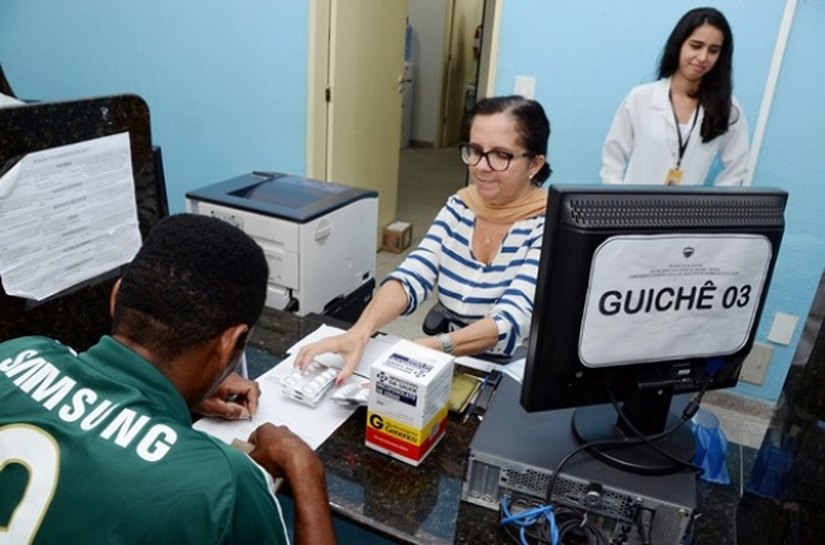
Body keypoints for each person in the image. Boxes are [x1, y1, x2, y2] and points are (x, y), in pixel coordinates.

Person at [0, 214, 335, 545]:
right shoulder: (225, 486)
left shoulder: (17, 352)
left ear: (116, 296)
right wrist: (305, 468)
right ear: (229, 343)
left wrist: (182, 395)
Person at [297, 95, 551, 383]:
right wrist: (360, 331)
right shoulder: (462, 206)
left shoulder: (547, 225)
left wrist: (432, 347)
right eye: (475, 151)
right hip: (452, 357)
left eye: (500, 155)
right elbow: (412, 274)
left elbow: (511, 320)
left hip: (512, 368)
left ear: (534, 164)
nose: (481, 166)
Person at [600, 7, 748, 186]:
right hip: (633, 203)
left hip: (688, 205)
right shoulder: (640, 98)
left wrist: (716, 203)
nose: (703, 57)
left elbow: (737, 168)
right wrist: (618, 200)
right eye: (696, 46)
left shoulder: (727, 108)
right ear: (678, 45)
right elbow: (612, 161)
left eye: (713, 50)